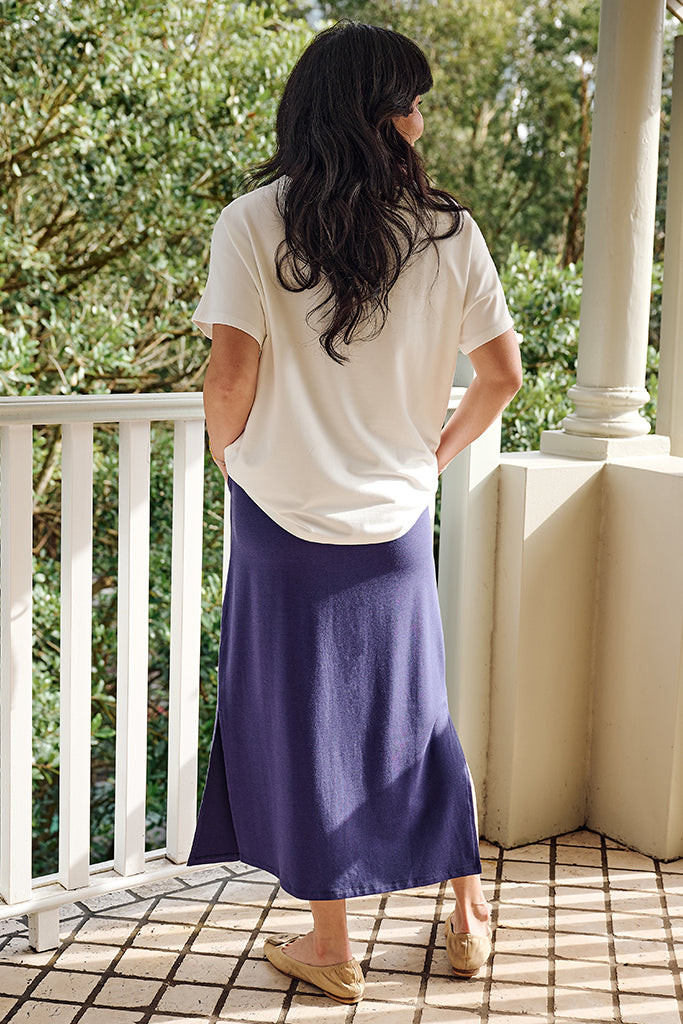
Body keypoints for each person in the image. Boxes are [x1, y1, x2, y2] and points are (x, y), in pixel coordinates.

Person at [186, 20, 522, 1005]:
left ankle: (330, 944)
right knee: (415, 712)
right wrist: (427, 459)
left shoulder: (252, 222)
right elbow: (499, 375)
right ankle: (464, 910)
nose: (422, 123)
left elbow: (229, 372)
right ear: (384, 115)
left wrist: (233, 458)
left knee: (305, 719)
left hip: (279, 515)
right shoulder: (449, 230)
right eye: (414, 104)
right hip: (393, 522)